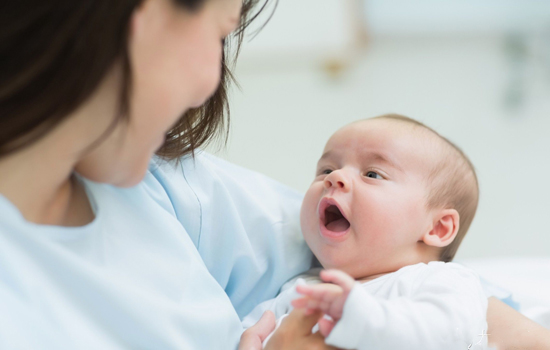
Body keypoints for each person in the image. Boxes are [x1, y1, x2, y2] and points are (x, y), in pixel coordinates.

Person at [0, 1, 547, 350]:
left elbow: (460, 303)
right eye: (221, 32)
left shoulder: (158, 182)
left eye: (373, 174)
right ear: (145, 21)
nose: (211, 82)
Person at [244, 114, 488, 349]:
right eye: (326, 170)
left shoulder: (443, 281)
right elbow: (244, 335)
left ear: (437, 228)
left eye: (372, 174)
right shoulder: (299, 290)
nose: (335, 177)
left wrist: (364, 320)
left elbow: (454, 336)